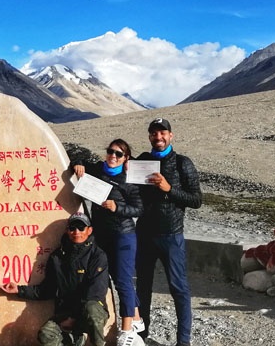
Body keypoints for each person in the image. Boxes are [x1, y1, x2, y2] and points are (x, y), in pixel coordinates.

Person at [135, 118, 202, 346]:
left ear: (171, 135)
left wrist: (169, 189)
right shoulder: (142, 161)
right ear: (150, 137)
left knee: (178, 288)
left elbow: (196, 200)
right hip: (143, 234)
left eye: (163, 133)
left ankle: (183, 341)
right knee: (142, 287)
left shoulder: (183, 163)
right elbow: (117, 172)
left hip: (171, 235)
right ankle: (140, 336)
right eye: (154, 133)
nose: (159, 137)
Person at [71, 139, 145, 346]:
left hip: (123, 235)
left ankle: (127, 330)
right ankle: (137, 317)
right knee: (110, 276)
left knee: (122, 280)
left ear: (126, 158)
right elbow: (75, 158)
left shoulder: (129, 180)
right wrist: (77, 163)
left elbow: (139, 209)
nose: (113, 156)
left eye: (119, 154)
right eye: (111, 152)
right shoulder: (96, 170)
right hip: (101, 235)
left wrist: (117, 208)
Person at [0, 213, 109, 346]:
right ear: (67, 231)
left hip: (89, 313)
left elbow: (96, 292)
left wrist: (74, 318)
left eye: (81, 227)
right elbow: (47, 289)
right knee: (46, 334)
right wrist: (19, 289)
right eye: (72, 228)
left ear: (89, 230)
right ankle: (74, 339)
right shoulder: (57, 257)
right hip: (65, 313)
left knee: (92, 310)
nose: (76, 232)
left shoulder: (97, 255)